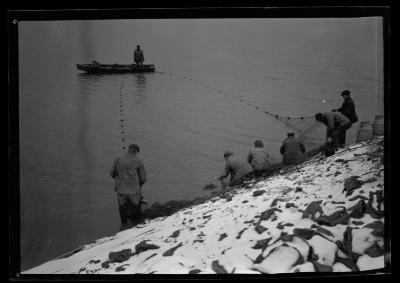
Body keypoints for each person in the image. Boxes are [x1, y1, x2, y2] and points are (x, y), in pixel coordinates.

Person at [110, 144, 147, 230]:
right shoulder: (139, 160)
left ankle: (123, 227)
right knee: (135, 211)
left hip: (121, 190)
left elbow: (111, 173)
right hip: (134, 191)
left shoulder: (118, 159)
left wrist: (119, 180)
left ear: (129, 150)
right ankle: (134, 229)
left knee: (122, 210)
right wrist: (139, 185)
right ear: (136, 151)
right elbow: (143, 178)